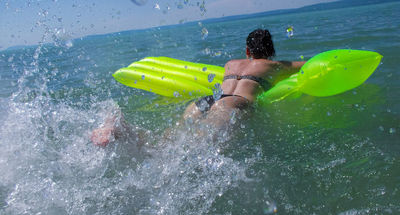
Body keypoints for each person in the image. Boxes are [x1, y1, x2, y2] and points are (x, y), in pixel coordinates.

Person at [91, 29, 306, 146]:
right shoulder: (276, 66)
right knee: (195, 148)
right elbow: (309, 66)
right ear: (270, 51)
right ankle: (118, 130)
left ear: (247, 51)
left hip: (209, 99)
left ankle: (121, 127)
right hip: (233, 104)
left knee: (166, 141)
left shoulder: (231, 63)